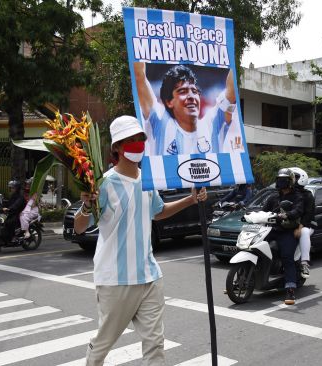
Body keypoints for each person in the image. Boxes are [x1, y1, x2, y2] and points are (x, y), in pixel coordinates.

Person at [73, 115, 208, 365]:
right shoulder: (103, 185)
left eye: (140, 139)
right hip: (116, 279)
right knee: (104, 343)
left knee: (155, 343)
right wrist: (85, 206)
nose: (137, 144)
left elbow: (158, 212)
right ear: (117, 148)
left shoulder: (147, 180)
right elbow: (80, 228)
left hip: (149, 276)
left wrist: (190, 199)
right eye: (130, 140)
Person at [133, 62, 242, 155]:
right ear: (169, 102)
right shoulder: (159, 121)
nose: (191, 96)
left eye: (194, 91)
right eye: (183, 91)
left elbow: (232, 91)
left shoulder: (213, 123)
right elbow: (139, 76)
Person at [262, 168, 304, 305]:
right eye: (279, 180)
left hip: (287, 231)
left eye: (284, 180)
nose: (281, 182)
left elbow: (298, 210)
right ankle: (242, 279)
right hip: (272, 229)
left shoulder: (297, 196)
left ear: (290, 181)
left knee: (287, 257)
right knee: (253, 247)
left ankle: (290, 289)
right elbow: (264, 211)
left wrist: (287, 214)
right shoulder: (273, 197)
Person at [292, 168, 316, 279]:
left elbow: (308, 214)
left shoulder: (307, 195)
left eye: (294, 177)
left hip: (305, 224)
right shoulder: (286, 193)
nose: (292, 179)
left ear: (301, 178)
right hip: (288, 224)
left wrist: (299, 227)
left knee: (304, 232)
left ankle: (305, 263)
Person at [0, 180, 26, 252]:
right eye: (11, 188)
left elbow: (16, 205)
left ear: (17, 188)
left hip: (18, 215)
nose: (11, 189)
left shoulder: (20, 197)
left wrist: (8, 209)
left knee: (8, 223)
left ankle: (11, 238)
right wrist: (0, 204)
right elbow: (8, 202)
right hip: (10, 213)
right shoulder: (13, 196)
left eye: (13, 188)